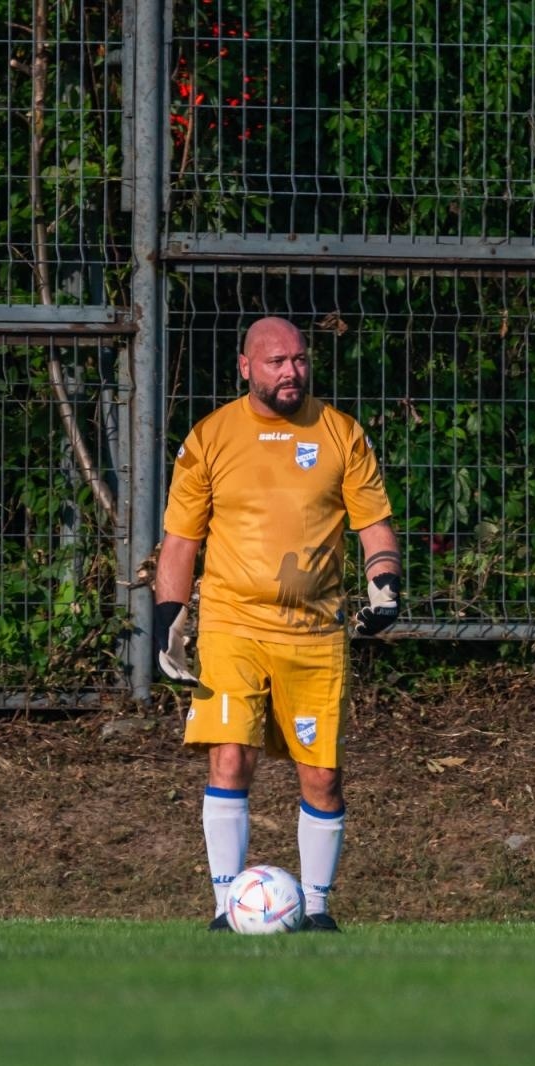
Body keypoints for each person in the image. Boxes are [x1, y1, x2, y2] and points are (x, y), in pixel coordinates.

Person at [153, 315, 402, 932]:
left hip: (316, 633)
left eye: (298, 359)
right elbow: (180, 540)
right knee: (229, 756)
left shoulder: (341, 433)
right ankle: (222, 911)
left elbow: (374, 525)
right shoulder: (209, 438)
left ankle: (316, 912)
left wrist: (385, 585)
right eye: (276, 362)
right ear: (245, 367)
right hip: (232, 624)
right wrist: (169, 620)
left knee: (321, 773)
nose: (291, 371)